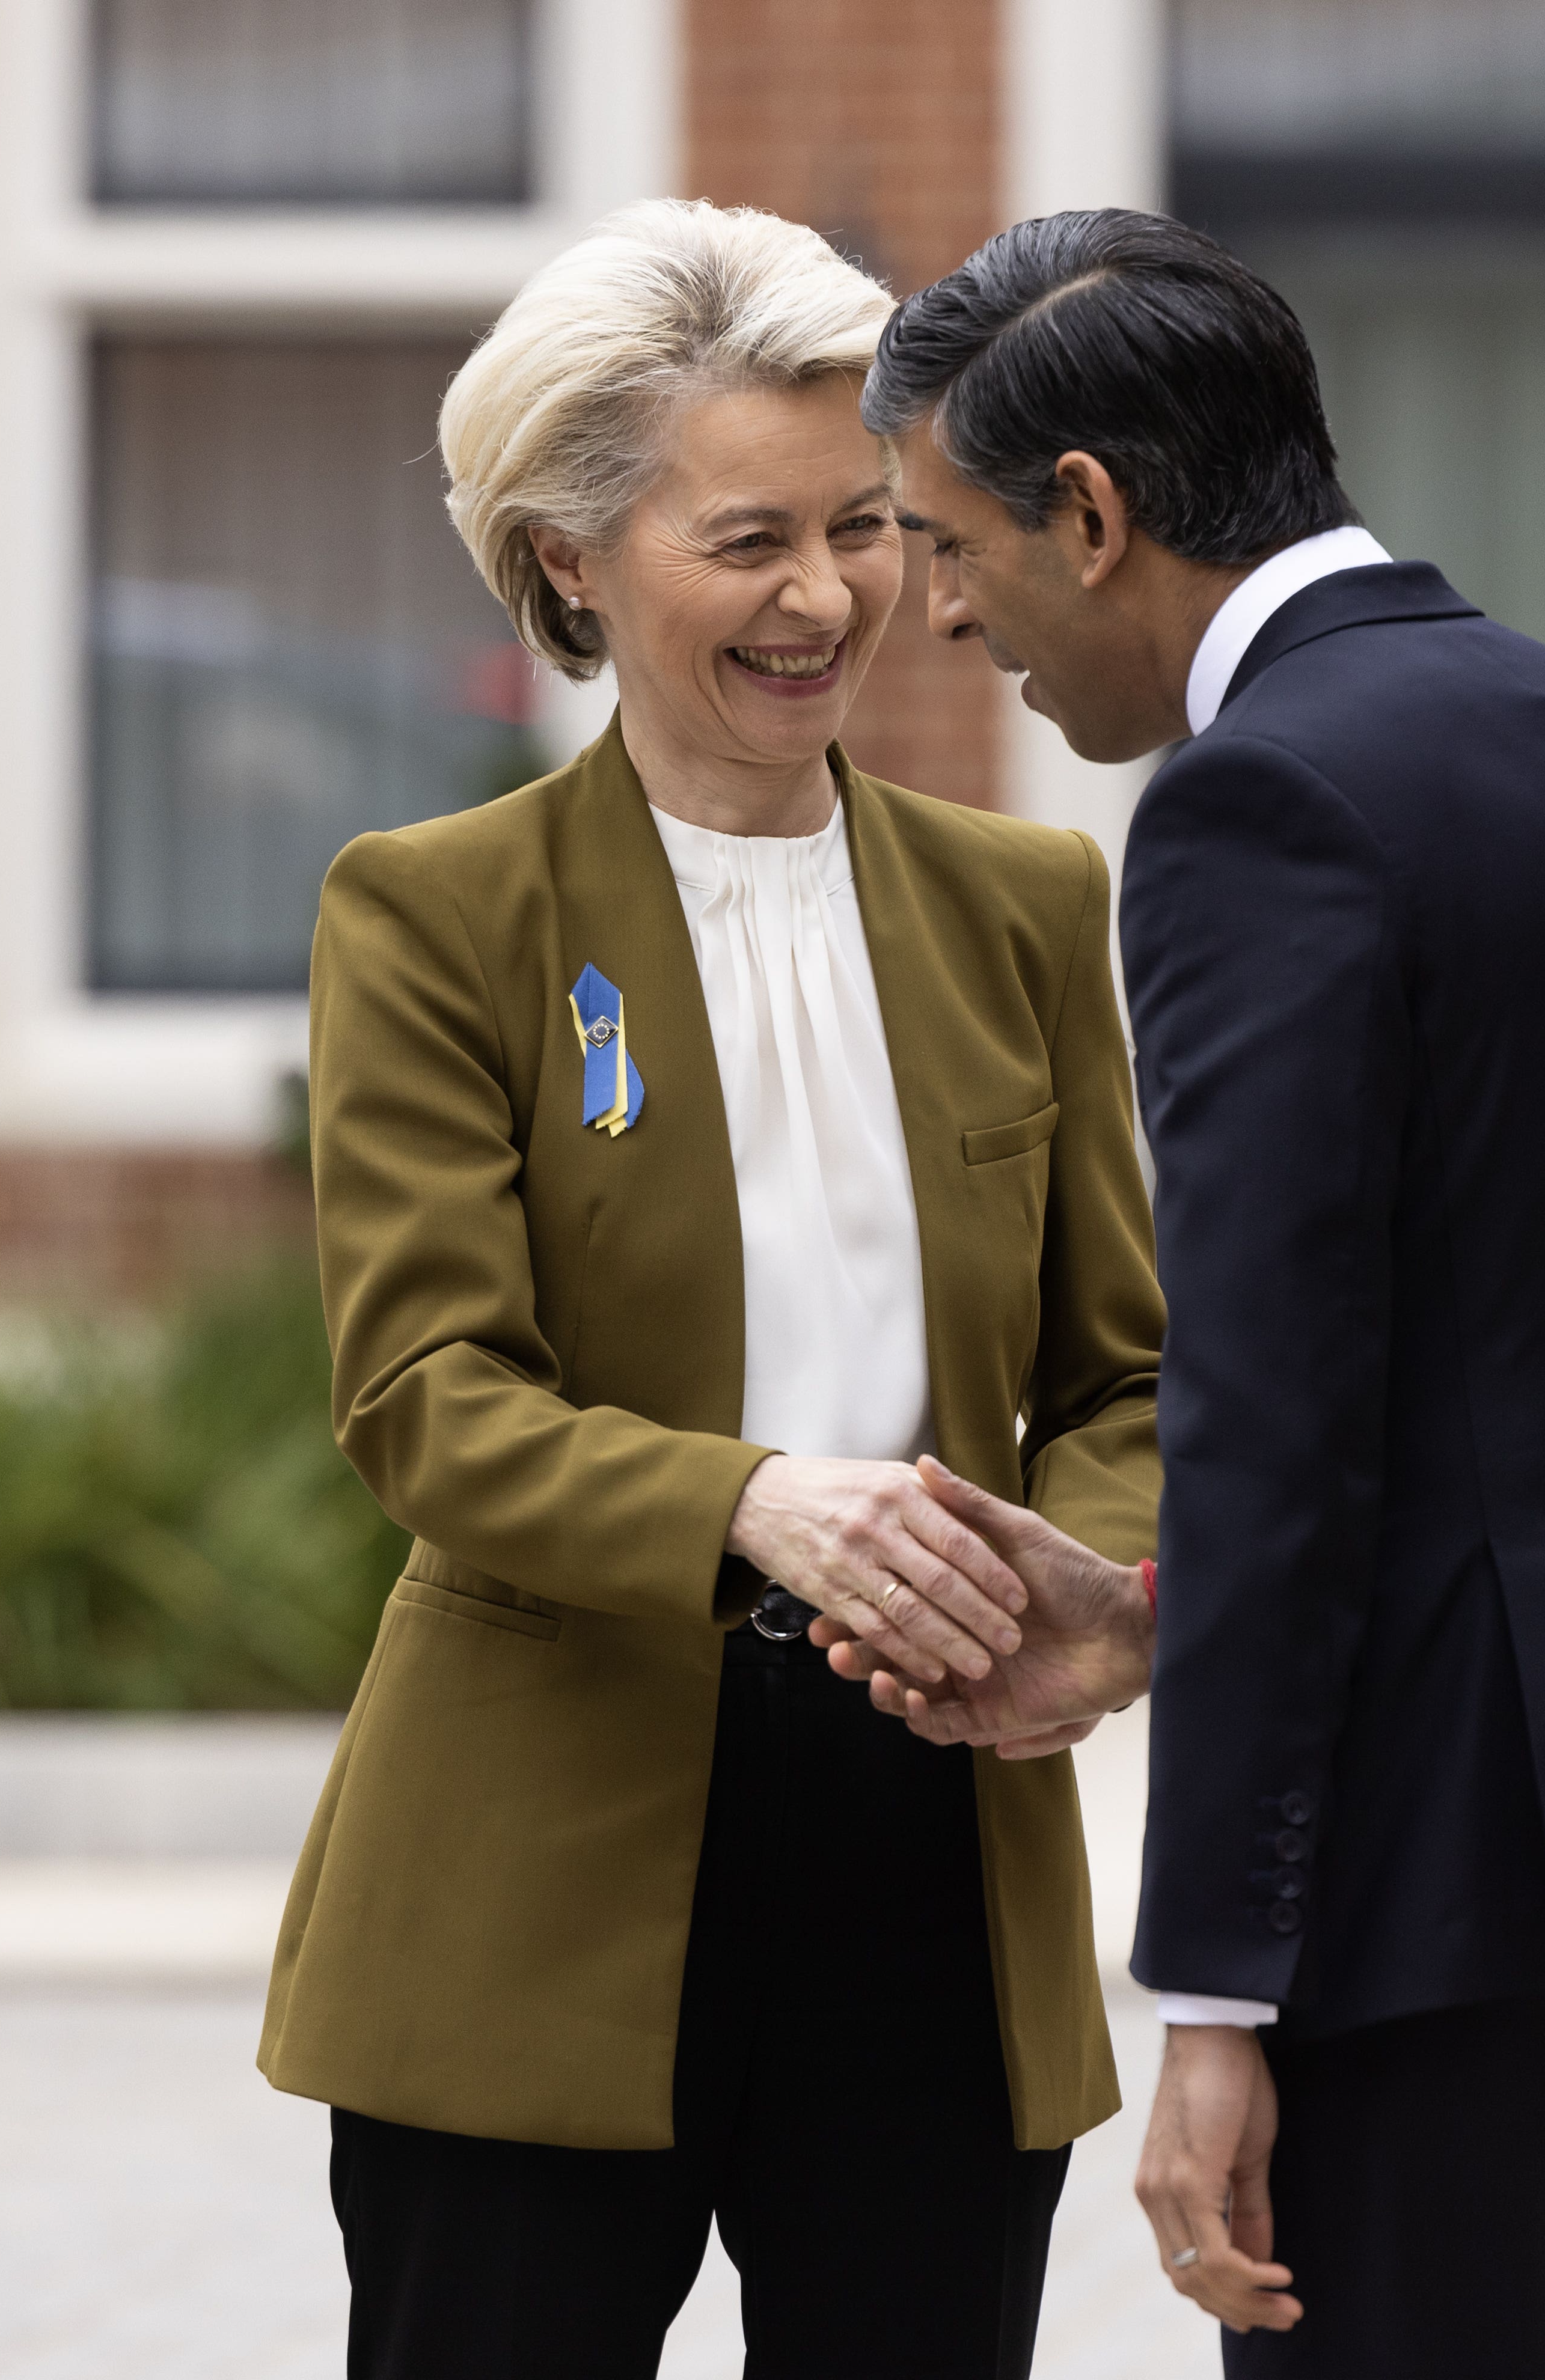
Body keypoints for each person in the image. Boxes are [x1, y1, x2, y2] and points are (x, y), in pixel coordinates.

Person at [834, 209, 1545, 2376]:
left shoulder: (1258, 805)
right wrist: (1154, 1623)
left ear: (1092, 511)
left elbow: (1276, 1404)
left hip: (1449, 1894)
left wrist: (1218, 1993)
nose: (941, 616)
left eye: (951, 547)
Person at [257, 198, 1166, 2379]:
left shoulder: (1023, 904)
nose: (828, 595)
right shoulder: (432, 912)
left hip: (937, 1842)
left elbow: (1125, 1376)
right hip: (533, 1870)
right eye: (746, 536)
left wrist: (1101, 1603)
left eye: (867, 524)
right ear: (567, 558)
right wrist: (761, 1500)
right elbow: (424, 1397)